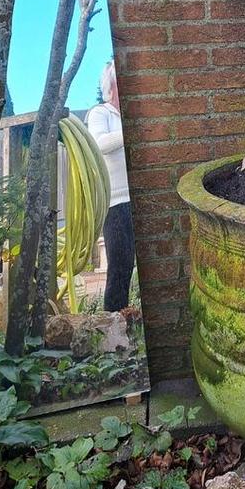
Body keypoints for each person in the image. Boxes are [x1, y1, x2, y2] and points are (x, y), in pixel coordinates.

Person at [86, 60, 135, 311]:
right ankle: (112, 320)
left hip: (135, 199)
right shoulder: (100, 113)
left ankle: (126, 319)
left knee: (131, 266)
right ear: (111, 85)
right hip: (115, 202)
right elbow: (100, 144)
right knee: (119, 267)